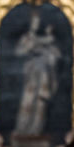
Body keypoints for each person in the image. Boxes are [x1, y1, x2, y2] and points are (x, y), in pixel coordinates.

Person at [13, 11, 61, 140]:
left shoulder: (49, 41)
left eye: (38, 22)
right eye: (34, 22)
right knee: (27, 103)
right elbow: (19, 53)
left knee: (41, 104)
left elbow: (56, 56)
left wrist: (46, 53)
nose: (37, 24)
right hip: (30, 78)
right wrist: (32, 47)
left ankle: (36, 130)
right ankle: (24, 130)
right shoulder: (27, 39)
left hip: (44, 77)